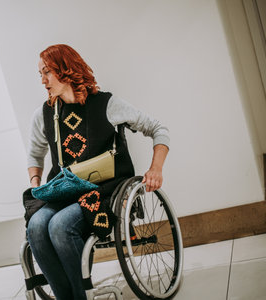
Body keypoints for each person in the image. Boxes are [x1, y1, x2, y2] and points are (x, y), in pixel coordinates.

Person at [26, 44, 170, 300]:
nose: (42, 80)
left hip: (103, 192)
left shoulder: (105, 104)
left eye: (47, 72)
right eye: (40, 74)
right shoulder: (45, 114)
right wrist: (37, 184)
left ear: (66, 69)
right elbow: (35, 154)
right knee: (36, 225)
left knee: (60, 226)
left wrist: (155, 169)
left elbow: (158, 128)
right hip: (64, 191)